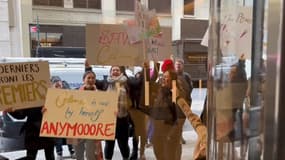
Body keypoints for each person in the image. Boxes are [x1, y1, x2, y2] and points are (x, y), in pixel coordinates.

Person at [73, 70, 103, 160]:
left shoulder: (101, 95)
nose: (91, 79)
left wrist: (112, 113)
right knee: (78, 155)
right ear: (83, 80)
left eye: (93, 78)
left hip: (92, 129)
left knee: (91, 155)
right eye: (88, 78)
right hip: (76, 128)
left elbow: (105, 110)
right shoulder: (74, 93)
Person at [104, 66, 130, 160]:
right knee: (109, 144)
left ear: (121, 72)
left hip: (122, 118)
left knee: (123, 144)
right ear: (110, 72)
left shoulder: (126, 83)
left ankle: (126, 158)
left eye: (117, 70)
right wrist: (88, 69)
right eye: (113, 70)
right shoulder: (105, 83)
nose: (115, 71)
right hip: (109, 119)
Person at [50, 76, 75, 159]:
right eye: (55, 84)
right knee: (58, 138)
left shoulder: (68, 93)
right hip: (56, 121)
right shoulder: (50, 96)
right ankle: (59, 153)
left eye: (59, 84)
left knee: (70, 135)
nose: (58, 85)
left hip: (68, 119)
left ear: (61, 84)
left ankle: (72, 151)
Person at [174, 58, 193, 144]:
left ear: (183, 66)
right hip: (174, 102)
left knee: (182, 120)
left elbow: (190, 88)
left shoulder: (187, 76)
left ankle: (179, 135)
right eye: (177, 64)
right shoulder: (172, 75)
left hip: (185, 102)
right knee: (176, 121)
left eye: (180, 64)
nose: (178, 66)